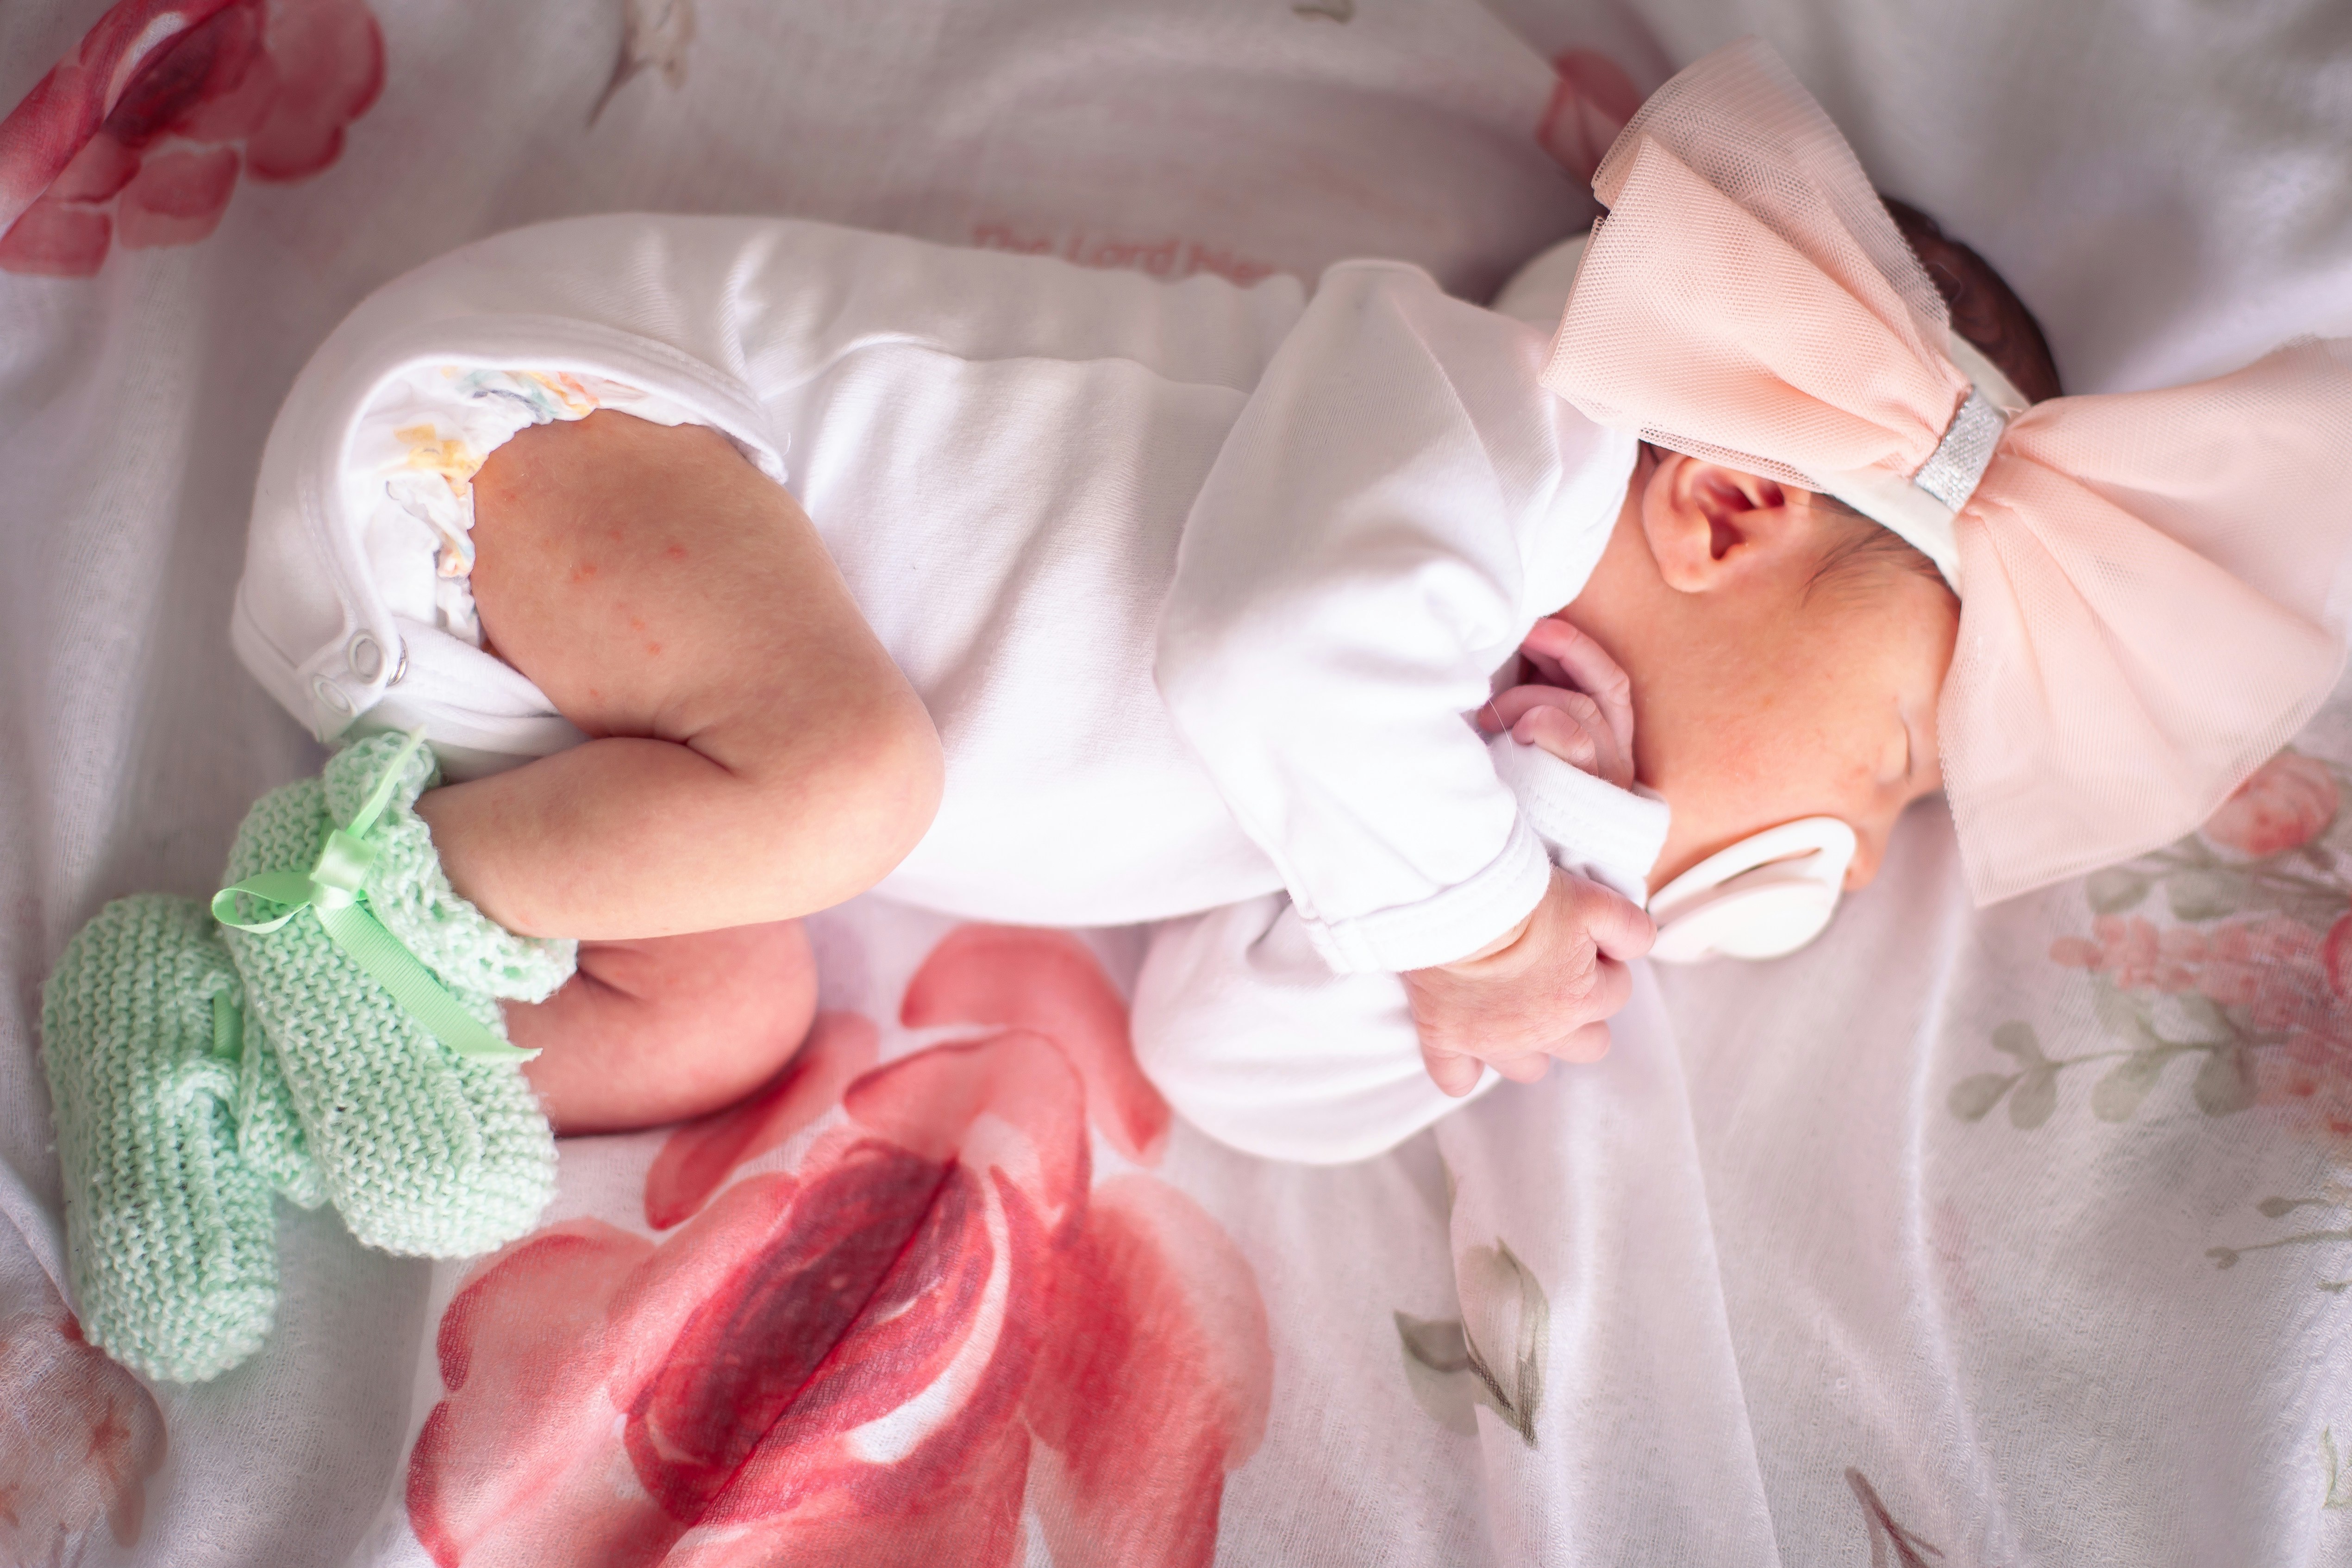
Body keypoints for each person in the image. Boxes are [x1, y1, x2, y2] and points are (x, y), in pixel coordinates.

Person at [44, 39, 2352, 1380]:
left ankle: (214, 1042)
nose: (1851, 853)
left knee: (727, 1006)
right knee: (850, 786)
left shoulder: (1418, 799)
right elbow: (1276, 645)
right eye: (1890, 760)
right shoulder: (1488, 430)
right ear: (1733, 506)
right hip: (572, 439)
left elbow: (1223, 1054)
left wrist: (1446, 999)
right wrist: (1462, 908)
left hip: (600, 729)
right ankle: (366, 907)